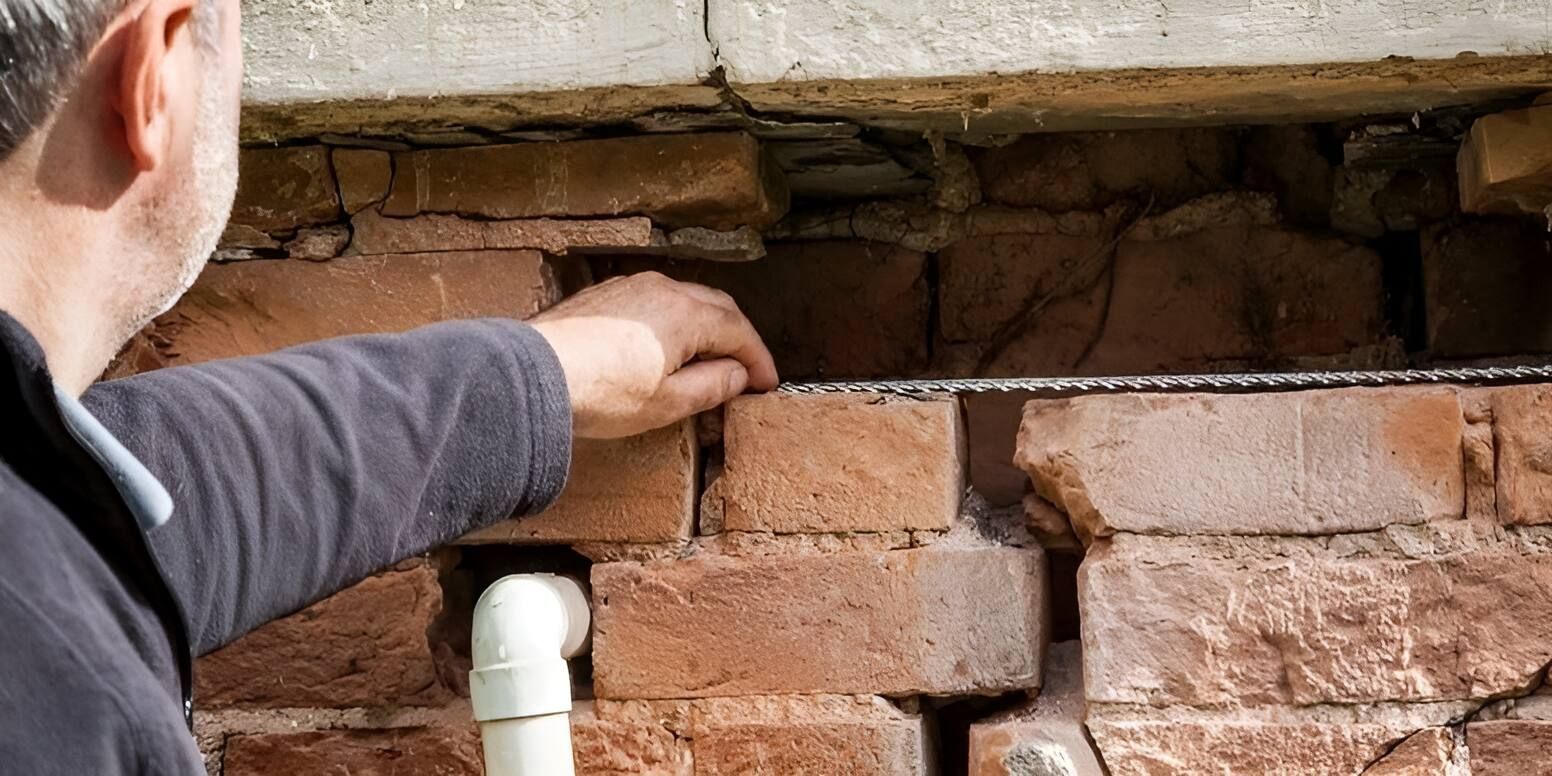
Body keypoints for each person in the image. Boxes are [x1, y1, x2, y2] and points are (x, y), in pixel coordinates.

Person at [0, 1, 779, 772]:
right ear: (154, 73)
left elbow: (144, 504)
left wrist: (535, 377)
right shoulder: (66, 706)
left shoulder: (39, 536)